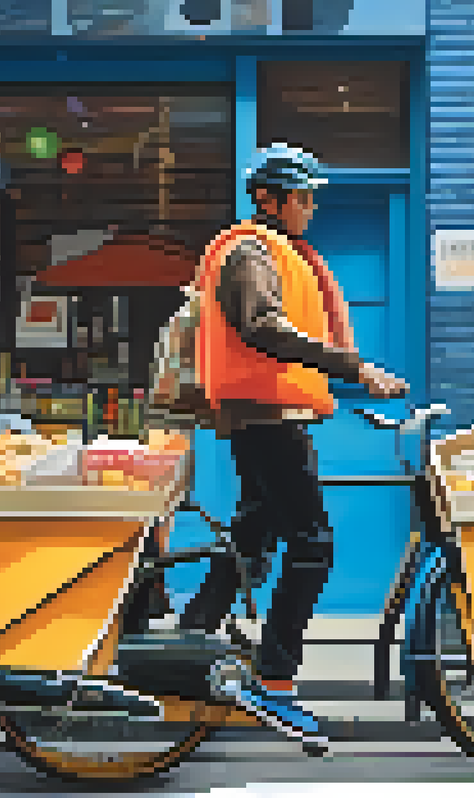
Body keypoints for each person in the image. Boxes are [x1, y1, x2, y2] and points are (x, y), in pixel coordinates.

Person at [182, 143, 409, 713]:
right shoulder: (250, 254)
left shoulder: (276, 249)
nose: (310, 207)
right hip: (266, 418)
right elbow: (263, 329)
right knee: (312, 545)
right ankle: (276, 676)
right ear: (269, 199)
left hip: (271, 413)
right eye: (302, 197)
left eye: (310, 197)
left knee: (253, 538)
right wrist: (356, 369)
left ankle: (190, 640)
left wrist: (354, 378)